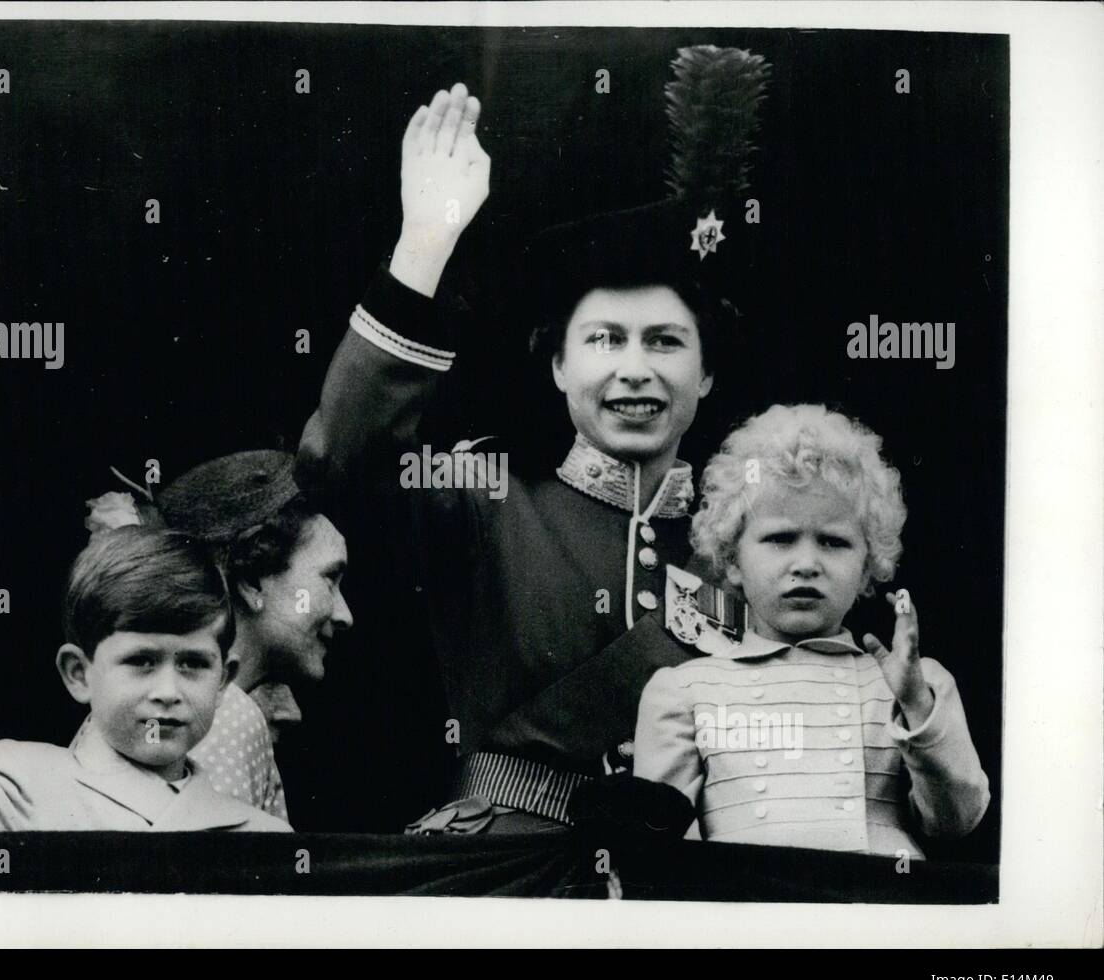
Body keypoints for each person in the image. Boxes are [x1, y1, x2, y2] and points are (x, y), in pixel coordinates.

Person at [297, 84, 750, 833]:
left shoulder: (749, 541)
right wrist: (425, 243)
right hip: (510, 865)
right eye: (604, 339)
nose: (634, 369)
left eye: (665, 342)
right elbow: (340, 461)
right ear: (558, 368)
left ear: (705, 373)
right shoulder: (489, 498)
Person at [633, 404, 990, 856]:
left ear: (867, 567)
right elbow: (659, 854)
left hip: (880, 906)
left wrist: (916, 704)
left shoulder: (914, 685)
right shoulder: (684, 691)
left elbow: (956, 821)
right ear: (732, 560)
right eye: (780, 538)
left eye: (833, 542)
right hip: (747, 910)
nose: (806, 564)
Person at [0, 525, 291, 832]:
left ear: (224, 682)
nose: (168, 692)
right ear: (79, 674)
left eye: (194, 664)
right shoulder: (26, 782)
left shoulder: (256, 832)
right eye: (142, 661)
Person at [147, 450, 354, 825]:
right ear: (253, 580)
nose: (345, 615)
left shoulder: (178, 707)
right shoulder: (223, 717)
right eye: (329, 578)